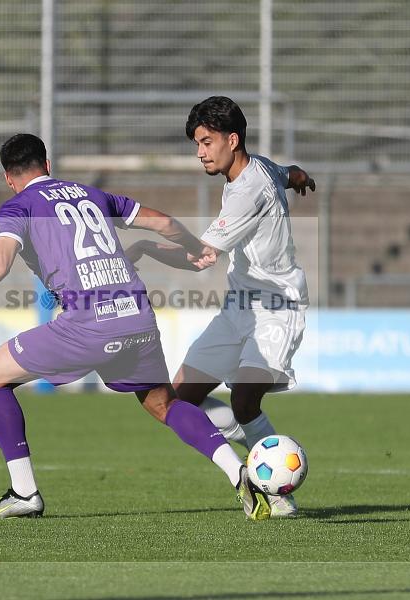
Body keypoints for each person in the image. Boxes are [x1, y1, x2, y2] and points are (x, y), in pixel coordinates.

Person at [0, 133, 272, 520]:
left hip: (86, 323)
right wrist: (197, 248)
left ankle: (24, 493)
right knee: (164, 404)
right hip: (136, 313)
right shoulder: (92, 194)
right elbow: (163, 222)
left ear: (8, 178)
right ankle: (238, 473)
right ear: (47, 165)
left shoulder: (18, 206)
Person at [127, 96, 315, 518]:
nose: (200, 152)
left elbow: (201, 256)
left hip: (277, 308)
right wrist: (299, 175)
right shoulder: (259, 167)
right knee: (180, 401)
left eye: (206, 142)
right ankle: (259, 456)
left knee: (245, 399)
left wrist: (144, 248)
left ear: (232, 140)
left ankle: (276, 491)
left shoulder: (248, 191)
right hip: (237, 308)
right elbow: (286, 173)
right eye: (197, 143)